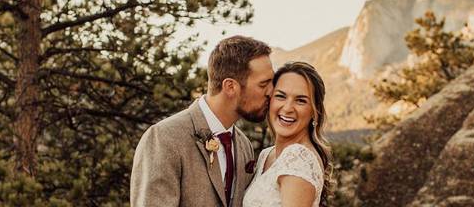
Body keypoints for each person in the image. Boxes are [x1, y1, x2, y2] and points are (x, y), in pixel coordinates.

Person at [131, 35, 275, 207]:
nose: (271, 92)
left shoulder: (244, 146)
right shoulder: (164, 138)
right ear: (230, 87)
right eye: (263, 84)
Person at [242, 62, 331, 207]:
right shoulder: (267, 155)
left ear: (314, 112)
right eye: (281, 96)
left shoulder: (298, 158)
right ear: (269, 101)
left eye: (301, 100)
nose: (288, 108)